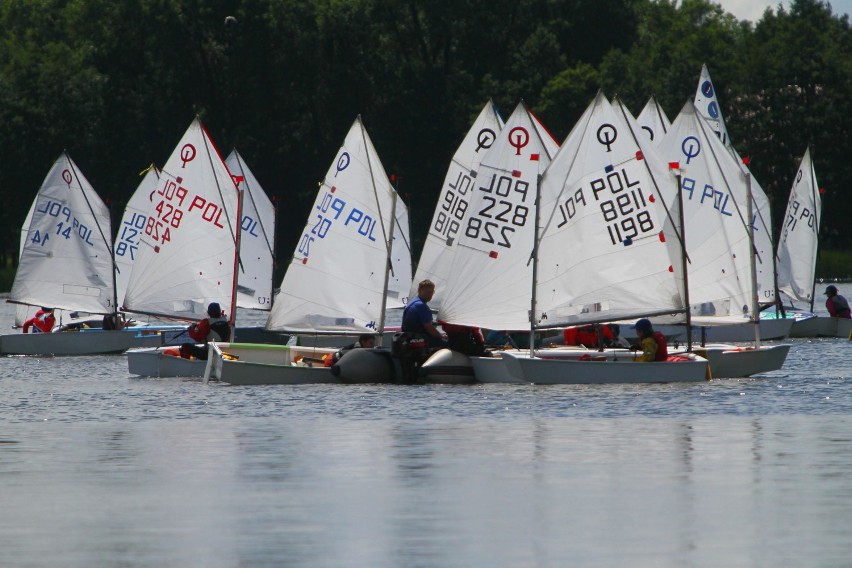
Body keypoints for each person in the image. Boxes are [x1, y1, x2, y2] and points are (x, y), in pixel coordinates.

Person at [402, 280, 447, 348]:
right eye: (427, 292)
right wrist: (441, 336)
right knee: (450, 345)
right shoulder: (421, 306)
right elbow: (429, 327)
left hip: (410, 338)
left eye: (432, 292)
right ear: (420, 290)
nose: (430, 295)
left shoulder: (412, 302)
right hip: (419, 339)